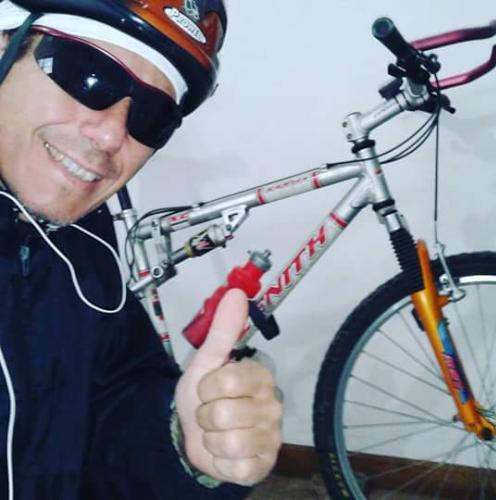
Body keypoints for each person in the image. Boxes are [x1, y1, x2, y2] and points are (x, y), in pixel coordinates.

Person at [0, 1, 283, 499]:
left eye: (152, 117)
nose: (113, 134)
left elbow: (107, 410)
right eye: (89, 75)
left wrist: (183, 445)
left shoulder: (80, 241)